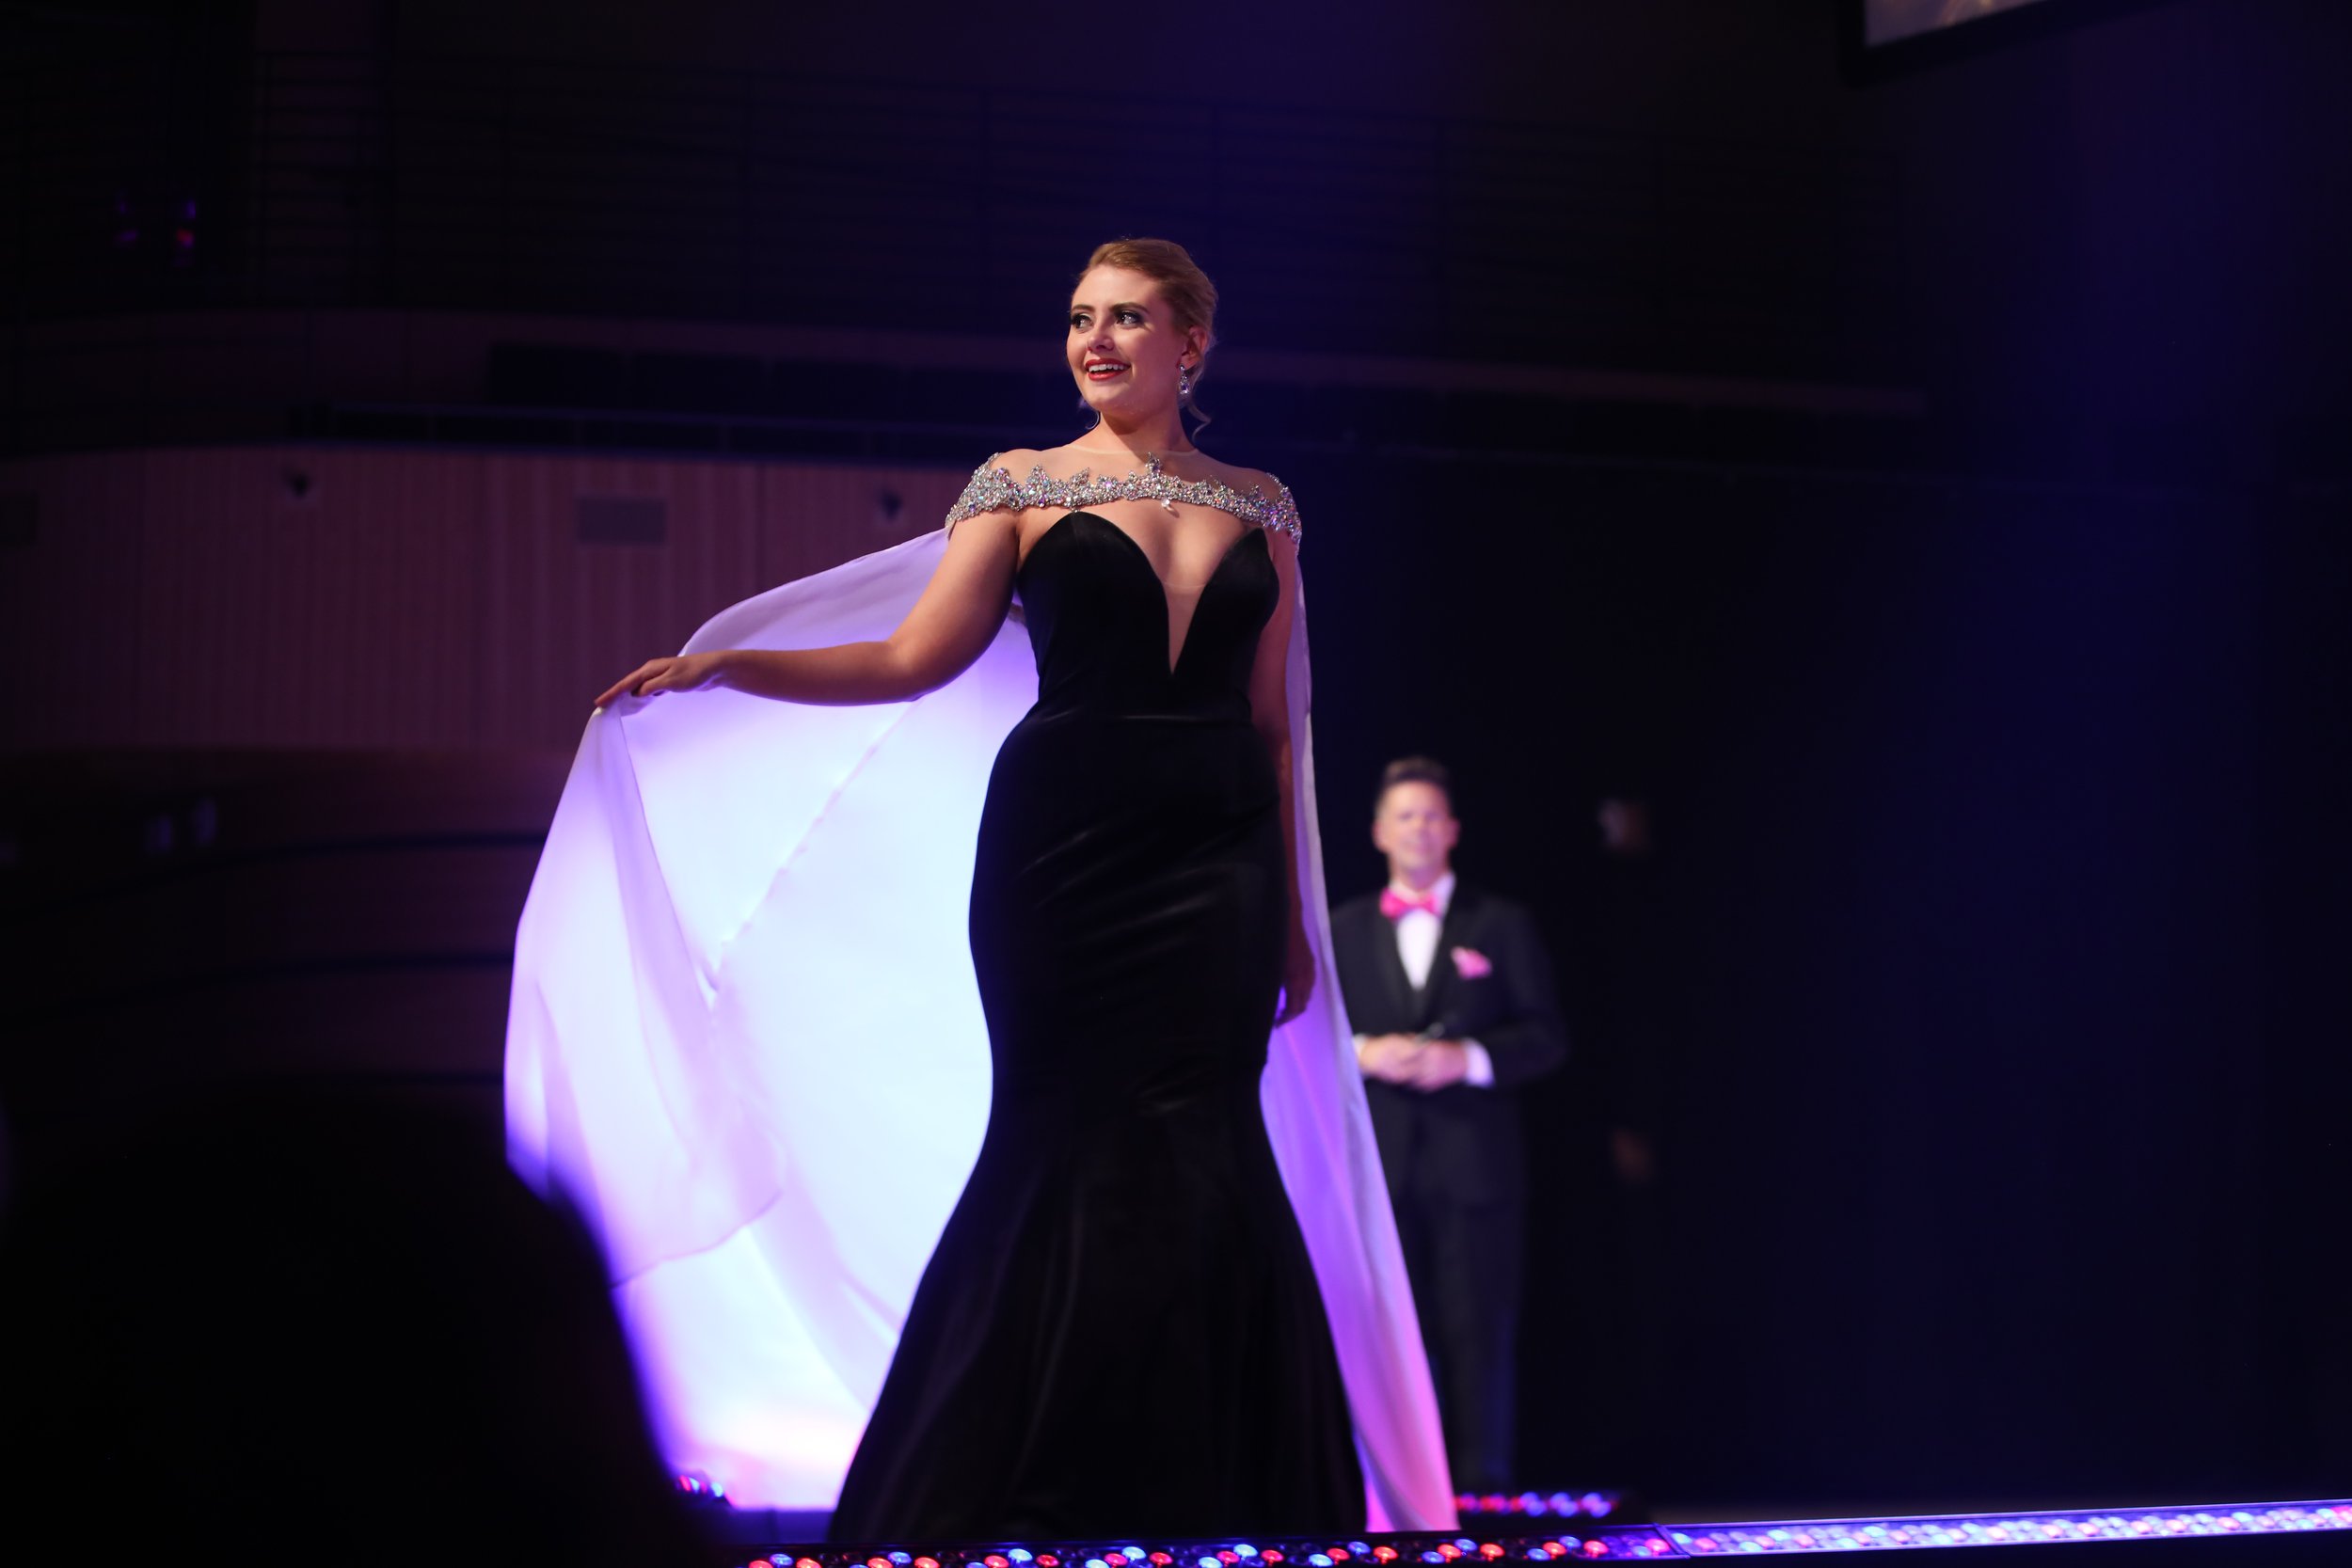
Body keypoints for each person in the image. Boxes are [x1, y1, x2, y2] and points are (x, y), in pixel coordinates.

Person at [509, 240, 1453, 1539]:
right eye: (1079, 319)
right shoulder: (1017, 485)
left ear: (1193, 342)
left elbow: (1275, 723)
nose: (1097, 341)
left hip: (1221, 861)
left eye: (1126, 317)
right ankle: (1004, 1478)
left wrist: (1292, 911)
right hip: (1064, 853)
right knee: (1062, 1132)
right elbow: (913, 657)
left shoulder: (1266, 504)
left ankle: (1230, 1482)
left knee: (1207, 1139)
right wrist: (724, 665)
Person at [1329, 758, 1568, 1494]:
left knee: (1478, 1330)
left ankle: (1482, 1492)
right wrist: (1367, 1051)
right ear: (1378, 831)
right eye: (1405, 815)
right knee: (1387, 1336)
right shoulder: (1340, 925)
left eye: (1431, 815)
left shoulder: (1499, 923)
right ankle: (1393, 1491)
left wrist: (1464, 1058)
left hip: (1476, 1166)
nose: (1419, 828)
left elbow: (1546, 1035)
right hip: (1380, 1164)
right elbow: (1303, 1033)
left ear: (1453, 829)